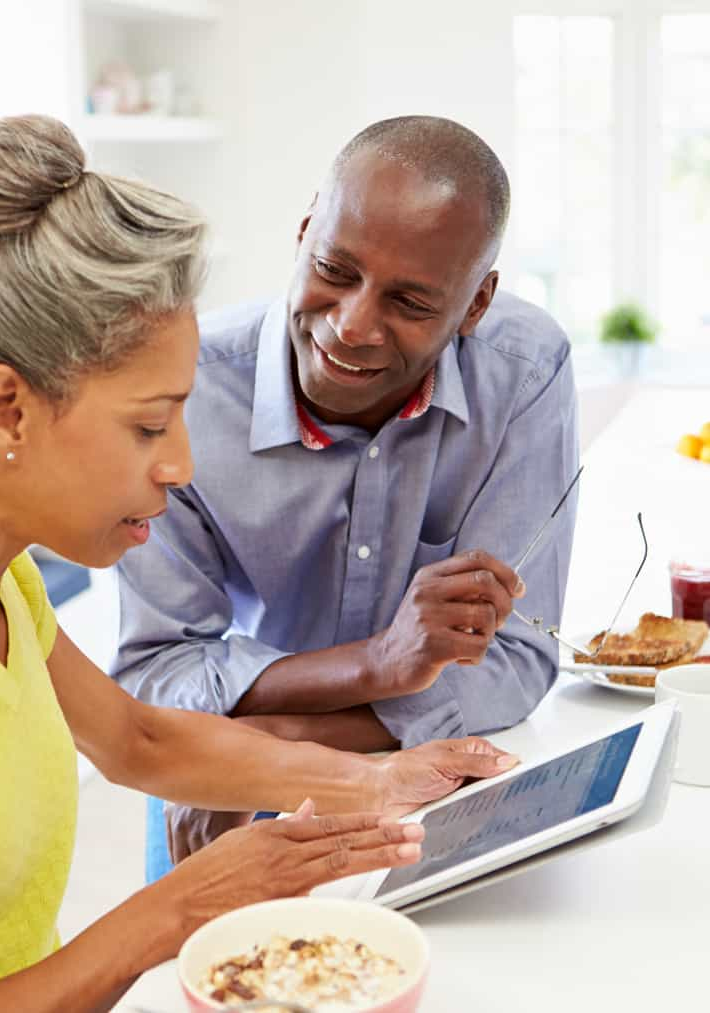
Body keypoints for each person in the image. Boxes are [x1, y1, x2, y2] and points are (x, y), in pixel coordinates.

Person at [0, 115, 518, 1013]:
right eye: (147, 423)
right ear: (6, 409)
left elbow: (136, 738)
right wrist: (171, 912)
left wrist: (378, 782)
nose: (180, 465)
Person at [111, 115, 579, 876]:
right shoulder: (186, 391)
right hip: (214, 776)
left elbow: (516, 661)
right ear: (302, 234)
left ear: (475, 304)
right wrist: (377, 665)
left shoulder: (522, 372)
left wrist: (276, 742)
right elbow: (155, 678)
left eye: (411, 303)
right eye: (334, 268)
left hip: (368, 768)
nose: (352, 325)